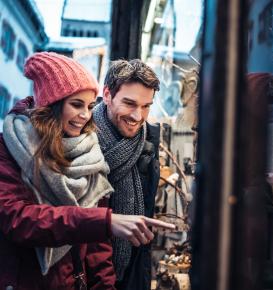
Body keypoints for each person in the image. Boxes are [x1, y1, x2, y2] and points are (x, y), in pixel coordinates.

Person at [0, 52, 175, 290]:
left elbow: (96, 248)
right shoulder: (9, 146)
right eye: (76, 104)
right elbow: (17, 218)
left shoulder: (89, 152)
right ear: (52, 102)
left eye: (90, 106)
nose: (85, 115)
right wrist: (105, 221)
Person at [93, 59, 161, 290]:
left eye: (146, 106)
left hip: (131, 272)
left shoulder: (149, 140)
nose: (137, 116)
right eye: (129, 103)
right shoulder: (80, 136)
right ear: (107, 94)